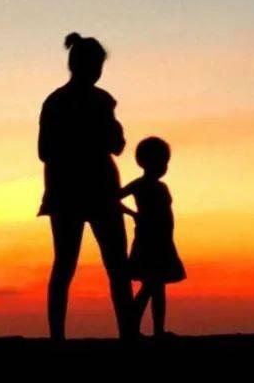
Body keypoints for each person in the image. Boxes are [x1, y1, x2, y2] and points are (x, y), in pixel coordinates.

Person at [37, 32, 135, 341]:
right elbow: (46, 150)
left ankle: (63, 336)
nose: (97, 71)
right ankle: (124, 333)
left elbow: (115, 144)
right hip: (84, 192)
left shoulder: (64, 101)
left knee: (81, 265)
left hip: (81, 192)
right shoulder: (84, 101)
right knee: (100, 265)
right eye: (96, 65)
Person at [119, 137, 186, 337]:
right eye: (162, 162)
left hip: (163, 240)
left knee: (157, 288)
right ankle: (132, 326)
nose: (164, 167)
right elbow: (113, 198)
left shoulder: (161, 186)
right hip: (148, 240)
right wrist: (133, 214)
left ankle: (157, 330)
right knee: (151, 286)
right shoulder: (139, 185)